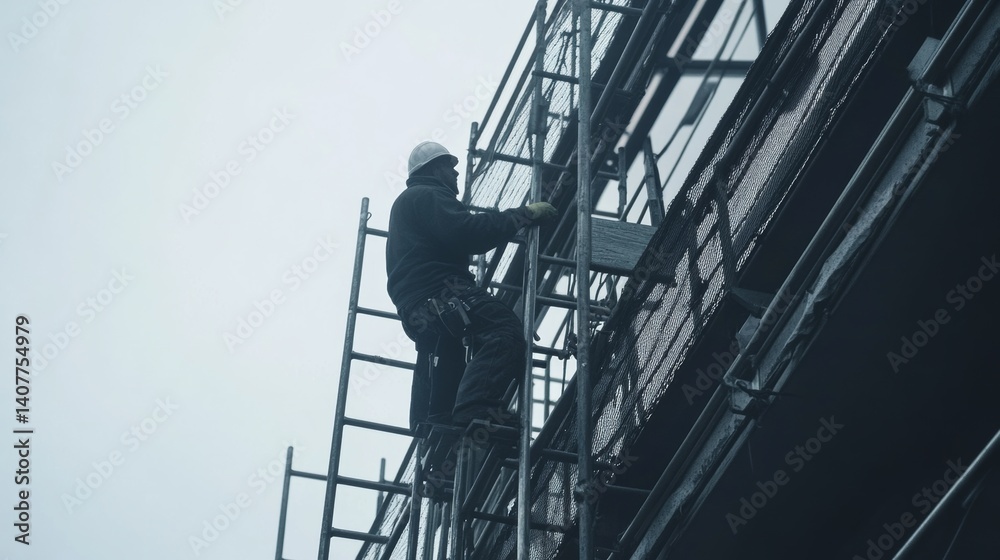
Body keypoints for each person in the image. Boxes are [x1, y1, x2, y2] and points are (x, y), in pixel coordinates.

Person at [385, 141, 557, 430]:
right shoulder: (428, 195)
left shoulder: (409, 203)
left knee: (449, 349)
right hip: (440, 293)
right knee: (504, 330)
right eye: (449, 168)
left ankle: (434, 420)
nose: (455, 173)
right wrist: (521, 215)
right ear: (435, 170)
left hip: (419, 306)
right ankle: (477, 408)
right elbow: (468, 233)